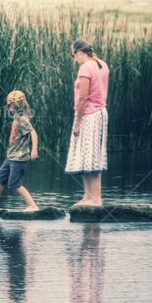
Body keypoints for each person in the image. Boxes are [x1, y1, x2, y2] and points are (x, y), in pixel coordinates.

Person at [65, 38, 110, 207]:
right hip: (100, 112)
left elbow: (83, 98)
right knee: (89, 155)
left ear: (79, 52)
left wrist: (77, 122)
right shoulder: (102, 64)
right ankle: (88, 196)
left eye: (73, 55)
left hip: (88, 114)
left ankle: (95, 198)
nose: (74, 58)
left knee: (89, 155)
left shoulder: (85, 68)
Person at [0, 90, 39, 212]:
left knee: (14, 183)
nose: (9, 109)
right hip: (11, 157)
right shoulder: (17, 118)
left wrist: (34, 150)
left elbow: (33, 133)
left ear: (16, 106)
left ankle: (32, 205)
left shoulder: (23, 119)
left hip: (19, 158)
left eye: (10, 106)